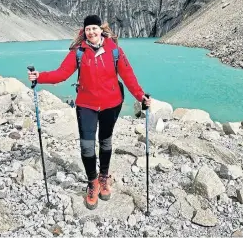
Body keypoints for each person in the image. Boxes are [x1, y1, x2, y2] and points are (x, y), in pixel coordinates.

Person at [28, 14, 151, 210]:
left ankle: (104, 177)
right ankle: (92, 182)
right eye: (88, 29)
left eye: (94, 28)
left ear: (101, 29)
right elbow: (61, 74)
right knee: (87, 146)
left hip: (111, 104)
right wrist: (39, 77)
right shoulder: (78, 52)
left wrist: (140, 96)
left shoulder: (115, 51)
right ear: (84, 32)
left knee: (105, 141)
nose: (91, 32)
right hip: (86, 105)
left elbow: (128, 76)